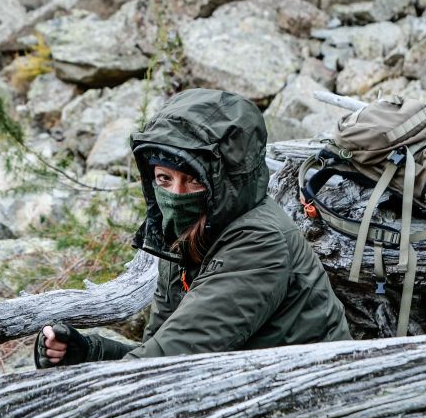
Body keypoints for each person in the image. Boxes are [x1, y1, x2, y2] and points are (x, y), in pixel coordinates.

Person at [34, 88, 350, 368]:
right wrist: (90, 352)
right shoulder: (186, 235)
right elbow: (160, 349)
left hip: (315, 396)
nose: (176, 195)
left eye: (194, 180)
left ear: (226, 182)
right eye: (164, 179)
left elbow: (166, 364)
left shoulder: (259, 241)